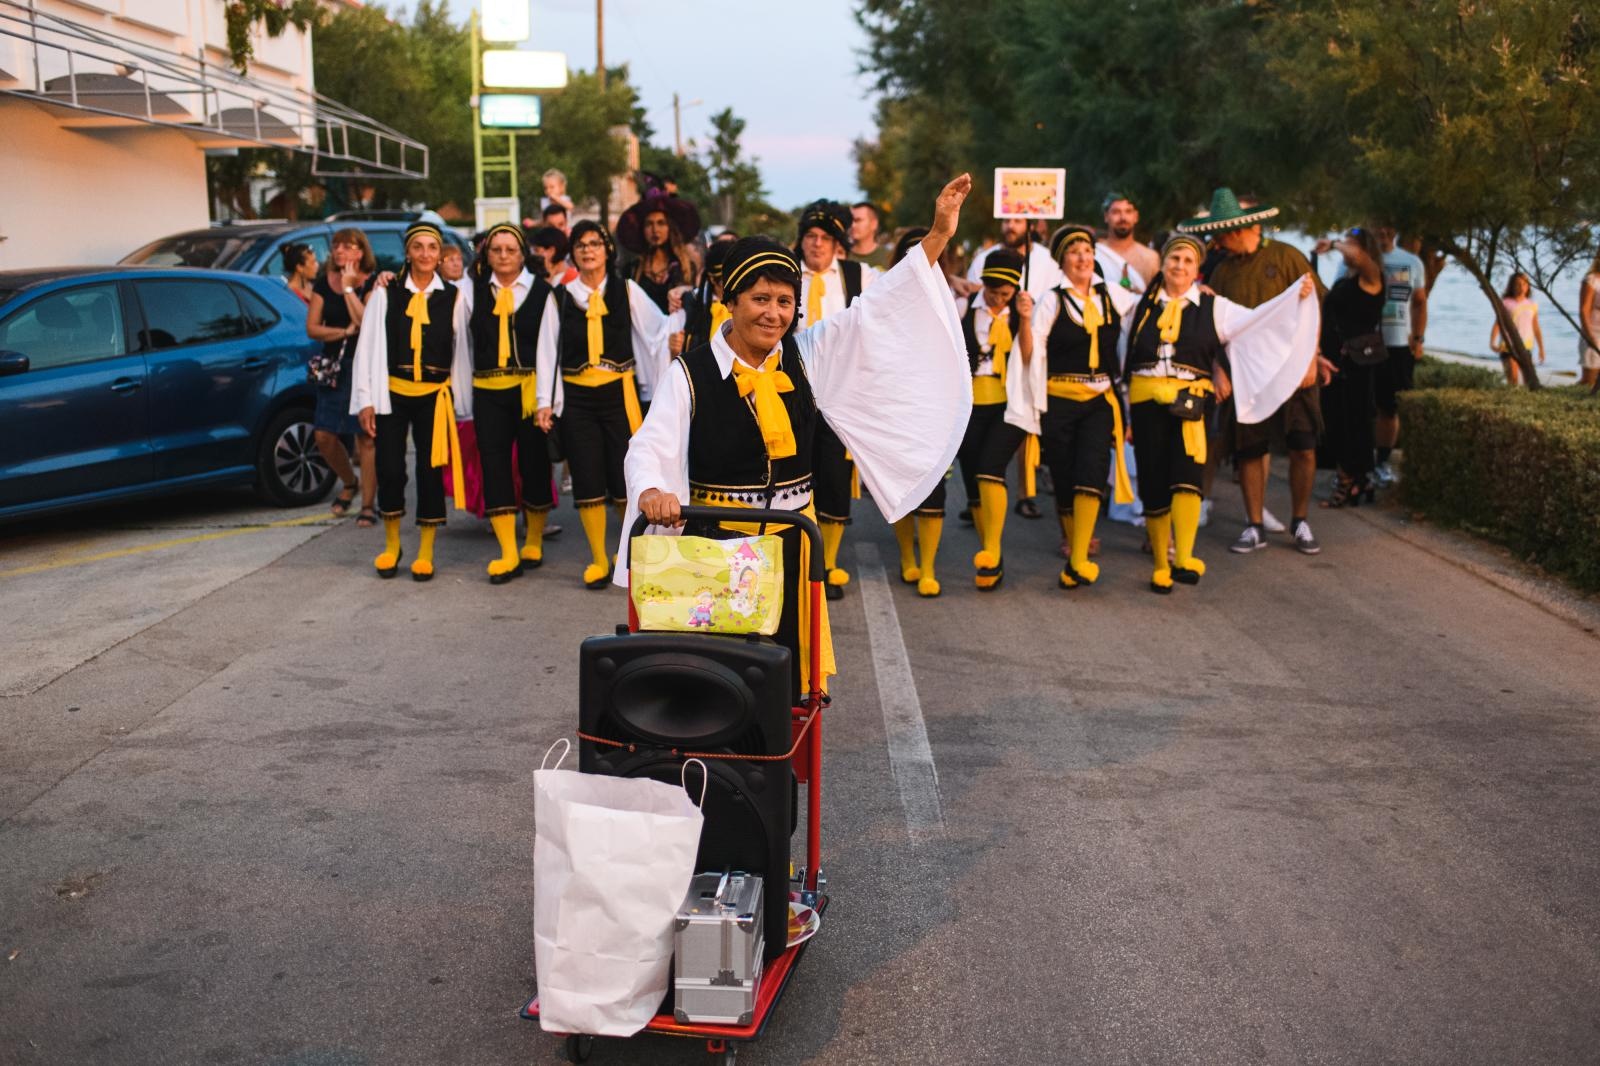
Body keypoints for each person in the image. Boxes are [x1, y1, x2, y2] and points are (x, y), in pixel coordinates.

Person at [624, 175, 975, 699]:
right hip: (719, 544)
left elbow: (875, 311)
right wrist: (652, 490)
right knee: (724, 679)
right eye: (760, 299)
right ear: (730, 299)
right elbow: (650, 444)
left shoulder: (807, 354)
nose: (774, 313)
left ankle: (781, 772)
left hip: (793, 539)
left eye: (785, 302)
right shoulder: (691, 372)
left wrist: (938, 236)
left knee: (786, 677)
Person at [1123, 233, 1319, 594]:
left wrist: (1293, 300)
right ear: (1163, 264)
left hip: (1188, 403)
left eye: (1187, 261)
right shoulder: (1141, 307)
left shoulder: (1214, 307)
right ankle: (1160, 564)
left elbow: (1261, 321)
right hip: (1146, 401)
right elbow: (1122, 347)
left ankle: (1183, 557)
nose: (1179, 267)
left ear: (1197, 270)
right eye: (1174, 259)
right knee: (1152, 481)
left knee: (1186, 478)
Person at [1182, 187, 1329, 558]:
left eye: (1218, 235)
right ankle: (1254, 525)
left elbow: (1313, 307)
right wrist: (1219, 368)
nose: (1216, 242)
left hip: (1293, 366)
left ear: (1234, 230)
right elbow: (1217, 327)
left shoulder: (1287, 257)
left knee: (1303, 446)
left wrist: (1312, 357)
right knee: (1250, 449)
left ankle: (1300, 520)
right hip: (1247, 372)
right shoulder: (1224, 271)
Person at [534, 221, 677, 589]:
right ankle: (598, 557)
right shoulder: (560, 296)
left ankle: (625, 552)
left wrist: (680, 313)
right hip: (577, 396)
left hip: (619, 394)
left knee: (625, 476)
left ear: (607, 250)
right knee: (586, 476)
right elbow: (547, 350)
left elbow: (658, 330)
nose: (587, 250)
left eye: (594, 243)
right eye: (580, 245)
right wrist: (543, 402)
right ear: (573, 252)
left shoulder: (626, 290)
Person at [350, 222, 472, 581]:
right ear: (407, 252)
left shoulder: (454, 296)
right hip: (393, 394)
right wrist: (365, 401)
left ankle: (426, 551)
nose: (425, 254)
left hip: (434, 396)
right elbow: (367, 347)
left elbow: (461, 352)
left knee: (429, 473)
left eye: (431, 248)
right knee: (389, 468)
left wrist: (463, 404)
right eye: (417, 247)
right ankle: (391, 545)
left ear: (440, 254)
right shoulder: (387, 294)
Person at [1021, 225, 1139, 588]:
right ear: (1063, 262)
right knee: (1065, 475)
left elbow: (1149, 308)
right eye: (1074, 252)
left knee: (1092, 472)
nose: (1083, 257)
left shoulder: (1113, 296)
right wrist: (1025, 318)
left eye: (1087, 250)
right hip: (1058, 400)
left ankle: (1079, 557)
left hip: (1100, 400)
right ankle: (1073, 540)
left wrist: (1198, 291)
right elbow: (1029, 355)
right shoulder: (1050, 301)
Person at [459, 223, 555, 583]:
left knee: (535, 463)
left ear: (522, 253)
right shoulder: (470, 291)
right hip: (488, 390)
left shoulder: (543, 292)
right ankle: (507, 552)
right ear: (486, 254)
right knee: (494, 465)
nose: (503, 256)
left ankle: (533, 541)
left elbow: (549, 349)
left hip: (530, 390)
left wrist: (548, 399)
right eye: (496, 249)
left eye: (510, 249)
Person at [796, 200, 879, 599]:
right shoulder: (786, 273)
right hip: (791, 391)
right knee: (794, 477)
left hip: (839, 395)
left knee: (832, 479)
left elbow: (900, 295)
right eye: (810, 237)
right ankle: (794, 561)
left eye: (825, 238)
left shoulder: (857, 275)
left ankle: (826, 565)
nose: (816, 244)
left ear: (837, 243)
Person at [950, 247, 1033, 590]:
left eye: (1005, 293)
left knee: (990, 470)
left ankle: (992, 549)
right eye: (992, 291)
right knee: (973, 483)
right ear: (981, 283)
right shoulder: (964, 308)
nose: (998, 298)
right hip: (970, 403)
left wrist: (1025, 319)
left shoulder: (1023, 312)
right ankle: (992, 561)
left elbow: (1030, 357)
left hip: (1010, 404)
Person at [883, 227, 951, 598]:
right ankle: (907, 557)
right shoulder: (886, 300)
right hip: (897, 406)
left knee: (935, 487)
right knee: (903, 485)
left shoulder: (950, 297)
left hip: (935, 407)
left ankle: (929, 567)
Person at [306, 229, 378, 524]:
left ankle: (368, 506)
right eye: (336, 245)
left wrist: (349, 288)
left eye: (347, 246)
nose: (339, 251)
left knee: (366, 437)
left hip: (366, 366)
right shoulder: (324, 284)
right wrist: (343, 332)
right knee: (323, 434)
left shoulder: (372, 282)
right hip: (335, 366)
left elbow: (366, 321)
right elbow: (313, 328)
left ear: (360, 252)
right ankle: (350, 482)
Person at [1318, 227, 1386, 507]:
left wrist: (1334, 242)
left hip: (1357, 362)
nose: (1345, 248)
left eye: (1350, 244)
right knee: (1336, 420)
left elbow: (1359, 256)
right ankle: (1357, 480)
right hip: (1336, 360)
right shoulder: (1348, 279)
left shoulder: (1373, 277)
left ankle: (1350, 481)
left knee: (1353, 421)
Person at [1370, 227, 1428, 486]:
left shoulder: (1411, 262)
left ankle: (1382, 462)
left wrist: (1417, 338)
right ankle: (1356, 465)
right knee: (1361, 407)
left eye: (1388, 227)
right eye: (1377, 226)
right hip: (1365, 344)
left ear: (1395, 230)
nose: (1383, 232)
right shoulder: (1361, 258)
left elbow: (1419, 302)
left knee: (1390, 408)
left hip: (1397, 346)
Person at [618, 191, 701, 313]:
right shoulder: (632, 270)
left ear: (670, 228)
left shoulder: (686, 268)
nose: (655, 230)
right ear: (642, 230)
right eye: (649, 224)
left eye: (661, 223)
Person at [965, 217, 1062, 301]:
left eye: (1017, 221)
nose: (1010, 226)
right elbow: (971, 295)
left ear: (1031, 226)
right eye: (1006, 221)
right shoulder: (983, 259)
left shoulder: (1049, 260)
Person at [1095, 193, 1161, 294]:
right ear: (1106, 217)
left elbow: (1155, 298)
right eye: (1116, 212)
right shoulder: (1095, 253)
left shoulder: (1150, 258)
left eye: (1128, 211)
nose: (1123, 218)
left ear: (1136, 217)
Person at [1490, 272, 1545, 385]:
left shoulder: (1532, 304)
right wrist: (1492, 342)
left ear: (1528, 286)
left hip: (1526, 346)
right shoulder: (1505, 303)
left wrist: (1541, 348)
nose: (1521, 287)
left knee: (1528, 381)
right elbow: (1498, 324)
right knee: (1513, 380)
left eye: (1524, 284)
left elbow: (1535, 326)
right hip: (1508, 346)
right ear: (1512, 286)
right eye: (1518, 284)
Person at [850, 202, 892, 270]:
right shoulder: (841, 255)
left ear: (874, 224)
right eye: (850, 220)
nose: (852, 225)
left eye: (858, 220)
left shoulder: (889, 257)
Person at [1580, 250, 1600, 389]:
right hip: (1594, 333)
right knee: (1589, 381)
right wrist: (1589, 336)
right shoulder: (1592, 279)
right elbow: (1584, 310)